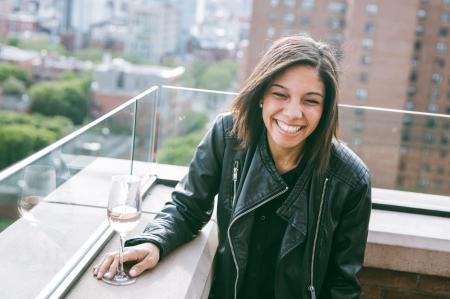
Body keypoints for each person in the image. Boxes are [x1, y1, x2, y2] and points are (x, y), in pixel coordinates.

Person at [93, 35, 371, 299]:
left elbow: (342, 284)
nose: (293, 112)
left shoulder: (349, 179)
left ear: (325, 110)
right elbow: (188, 207)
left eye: (310, 101)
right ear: (261, 94)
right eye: (280, 94)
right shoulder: (228, 135)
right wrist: (155, 242)